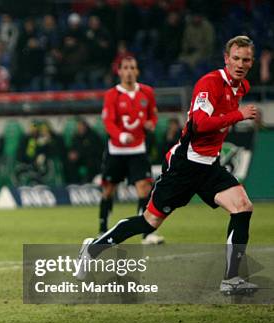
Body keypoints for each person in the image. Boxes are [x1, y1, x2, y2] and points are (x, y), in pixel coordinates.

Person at [77, 36, 259, 295]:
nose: (240, 64)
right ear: (226, 58)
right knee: (149, 222)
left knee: (242, 207)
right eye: (236, 58)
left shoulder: (241, 87)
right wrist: (237, 115)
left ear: (252, 62)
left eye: (246, 59)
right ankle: (93, 248)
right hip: (184, 166)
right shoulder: (210, 83)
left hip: (210, 166)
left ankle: (231, 279)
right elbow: (197, 125)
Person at [98, 56, 164, 245]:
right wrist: (120, 136)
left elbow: (153, 114)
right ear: (119, 71)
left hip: (137, 149)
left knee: (144, 188)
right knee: (108, 190)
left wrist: (152, 123)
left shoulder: (147, 92)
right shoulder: (112, 95)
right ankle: (102, 229)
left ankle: (146, 234)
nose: (128, 71)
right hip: (116, 150)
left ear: (137, 71)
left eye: (132, 67)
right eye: (125, 67)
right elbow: (108, 122)